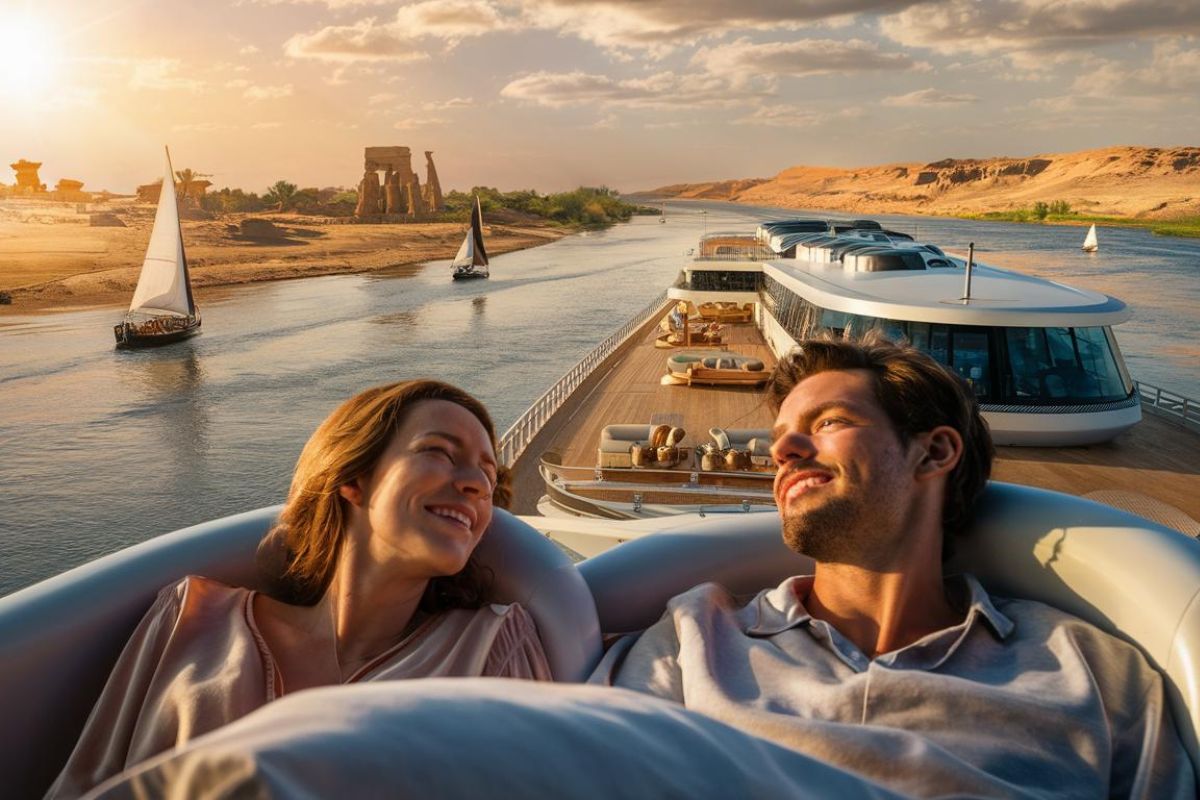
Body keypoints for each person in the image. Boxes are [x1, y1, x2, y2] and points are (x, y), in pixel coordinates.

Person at [597, 333, 1195, 798]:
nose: (779, 451)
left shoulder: (1094, 675)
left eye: (828, 422)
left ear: (934, 451)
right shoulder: (690, 640)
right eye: (780, 436)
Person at [48, 380, 551, 798]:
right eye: (440, 452)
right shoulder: (190, 620)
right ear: (355, 478)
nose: (476, 484)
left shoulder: (493, 648)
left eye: (488, 474)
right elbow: (83, 786)